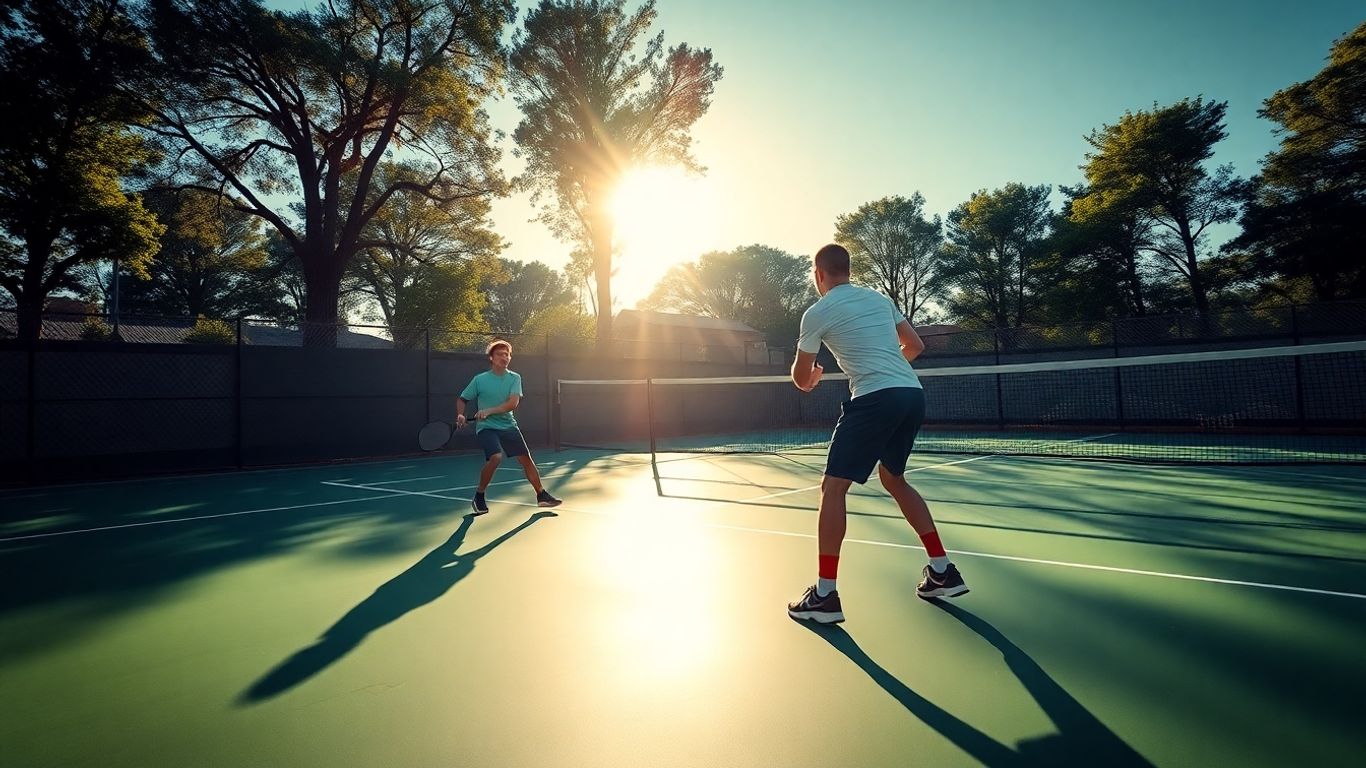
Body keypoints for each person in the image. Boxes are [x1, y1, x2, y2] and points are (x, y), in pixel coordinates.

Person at [786, 243, 967, 624]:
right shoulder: (880, 299)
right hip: (910, 394)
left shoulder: (818, 311)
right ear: (847, 270)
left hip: (875, 398)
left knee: (833, 489)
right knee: (894, 479)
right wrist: (888, 367)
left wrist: (813, 378)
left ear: (819, 275)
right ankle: (942, 570)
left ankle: (824, 596)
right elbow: (914, 345)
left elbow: (802, 379)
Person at [457, 339, 562, 515]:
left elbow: (512, 404)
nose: (504, 357)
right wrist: (460, 414)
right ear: (491, 358)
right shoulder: (480, 380)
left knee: (526, 460)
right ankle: (480, 495)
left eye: (507, 354)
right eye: (499, 354)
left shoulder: (515, 378)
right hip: (486, 427)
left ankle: (541, 495)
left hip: (508, 425)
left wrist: (489, 410)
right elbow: (462, 399)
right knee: (496, 457)